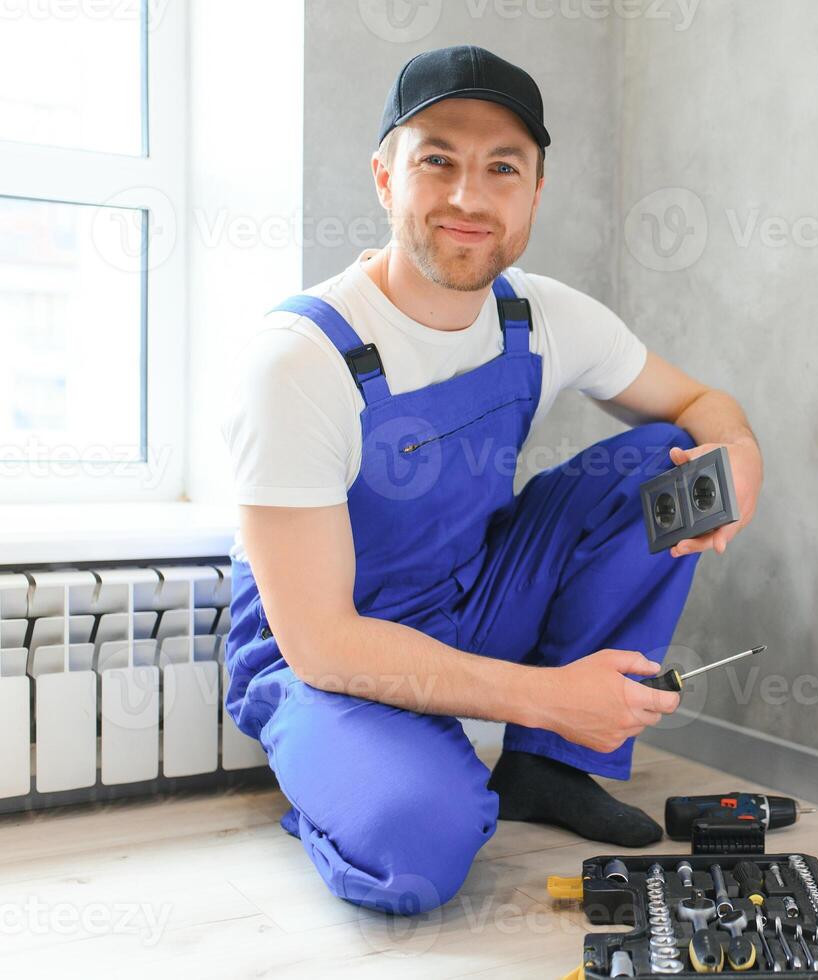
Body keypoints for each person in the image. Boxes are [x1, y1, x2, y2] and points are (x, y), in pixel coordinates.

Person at [217, 44, 763, 915]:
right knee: (420, 853)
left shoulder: (541, 315)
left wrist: (738, 453)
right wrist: (552, 693)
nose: (471, 197)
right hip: (323, 649)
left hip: (468, 597)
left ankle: (550, 767)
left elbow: (700, 401)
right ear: (386, 178)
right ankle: (356, 773)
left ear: (535, 192)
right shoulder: (298, 360)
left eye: (502, 168)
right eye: (438, 160)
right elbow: (322, 641)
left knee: (658, 456)